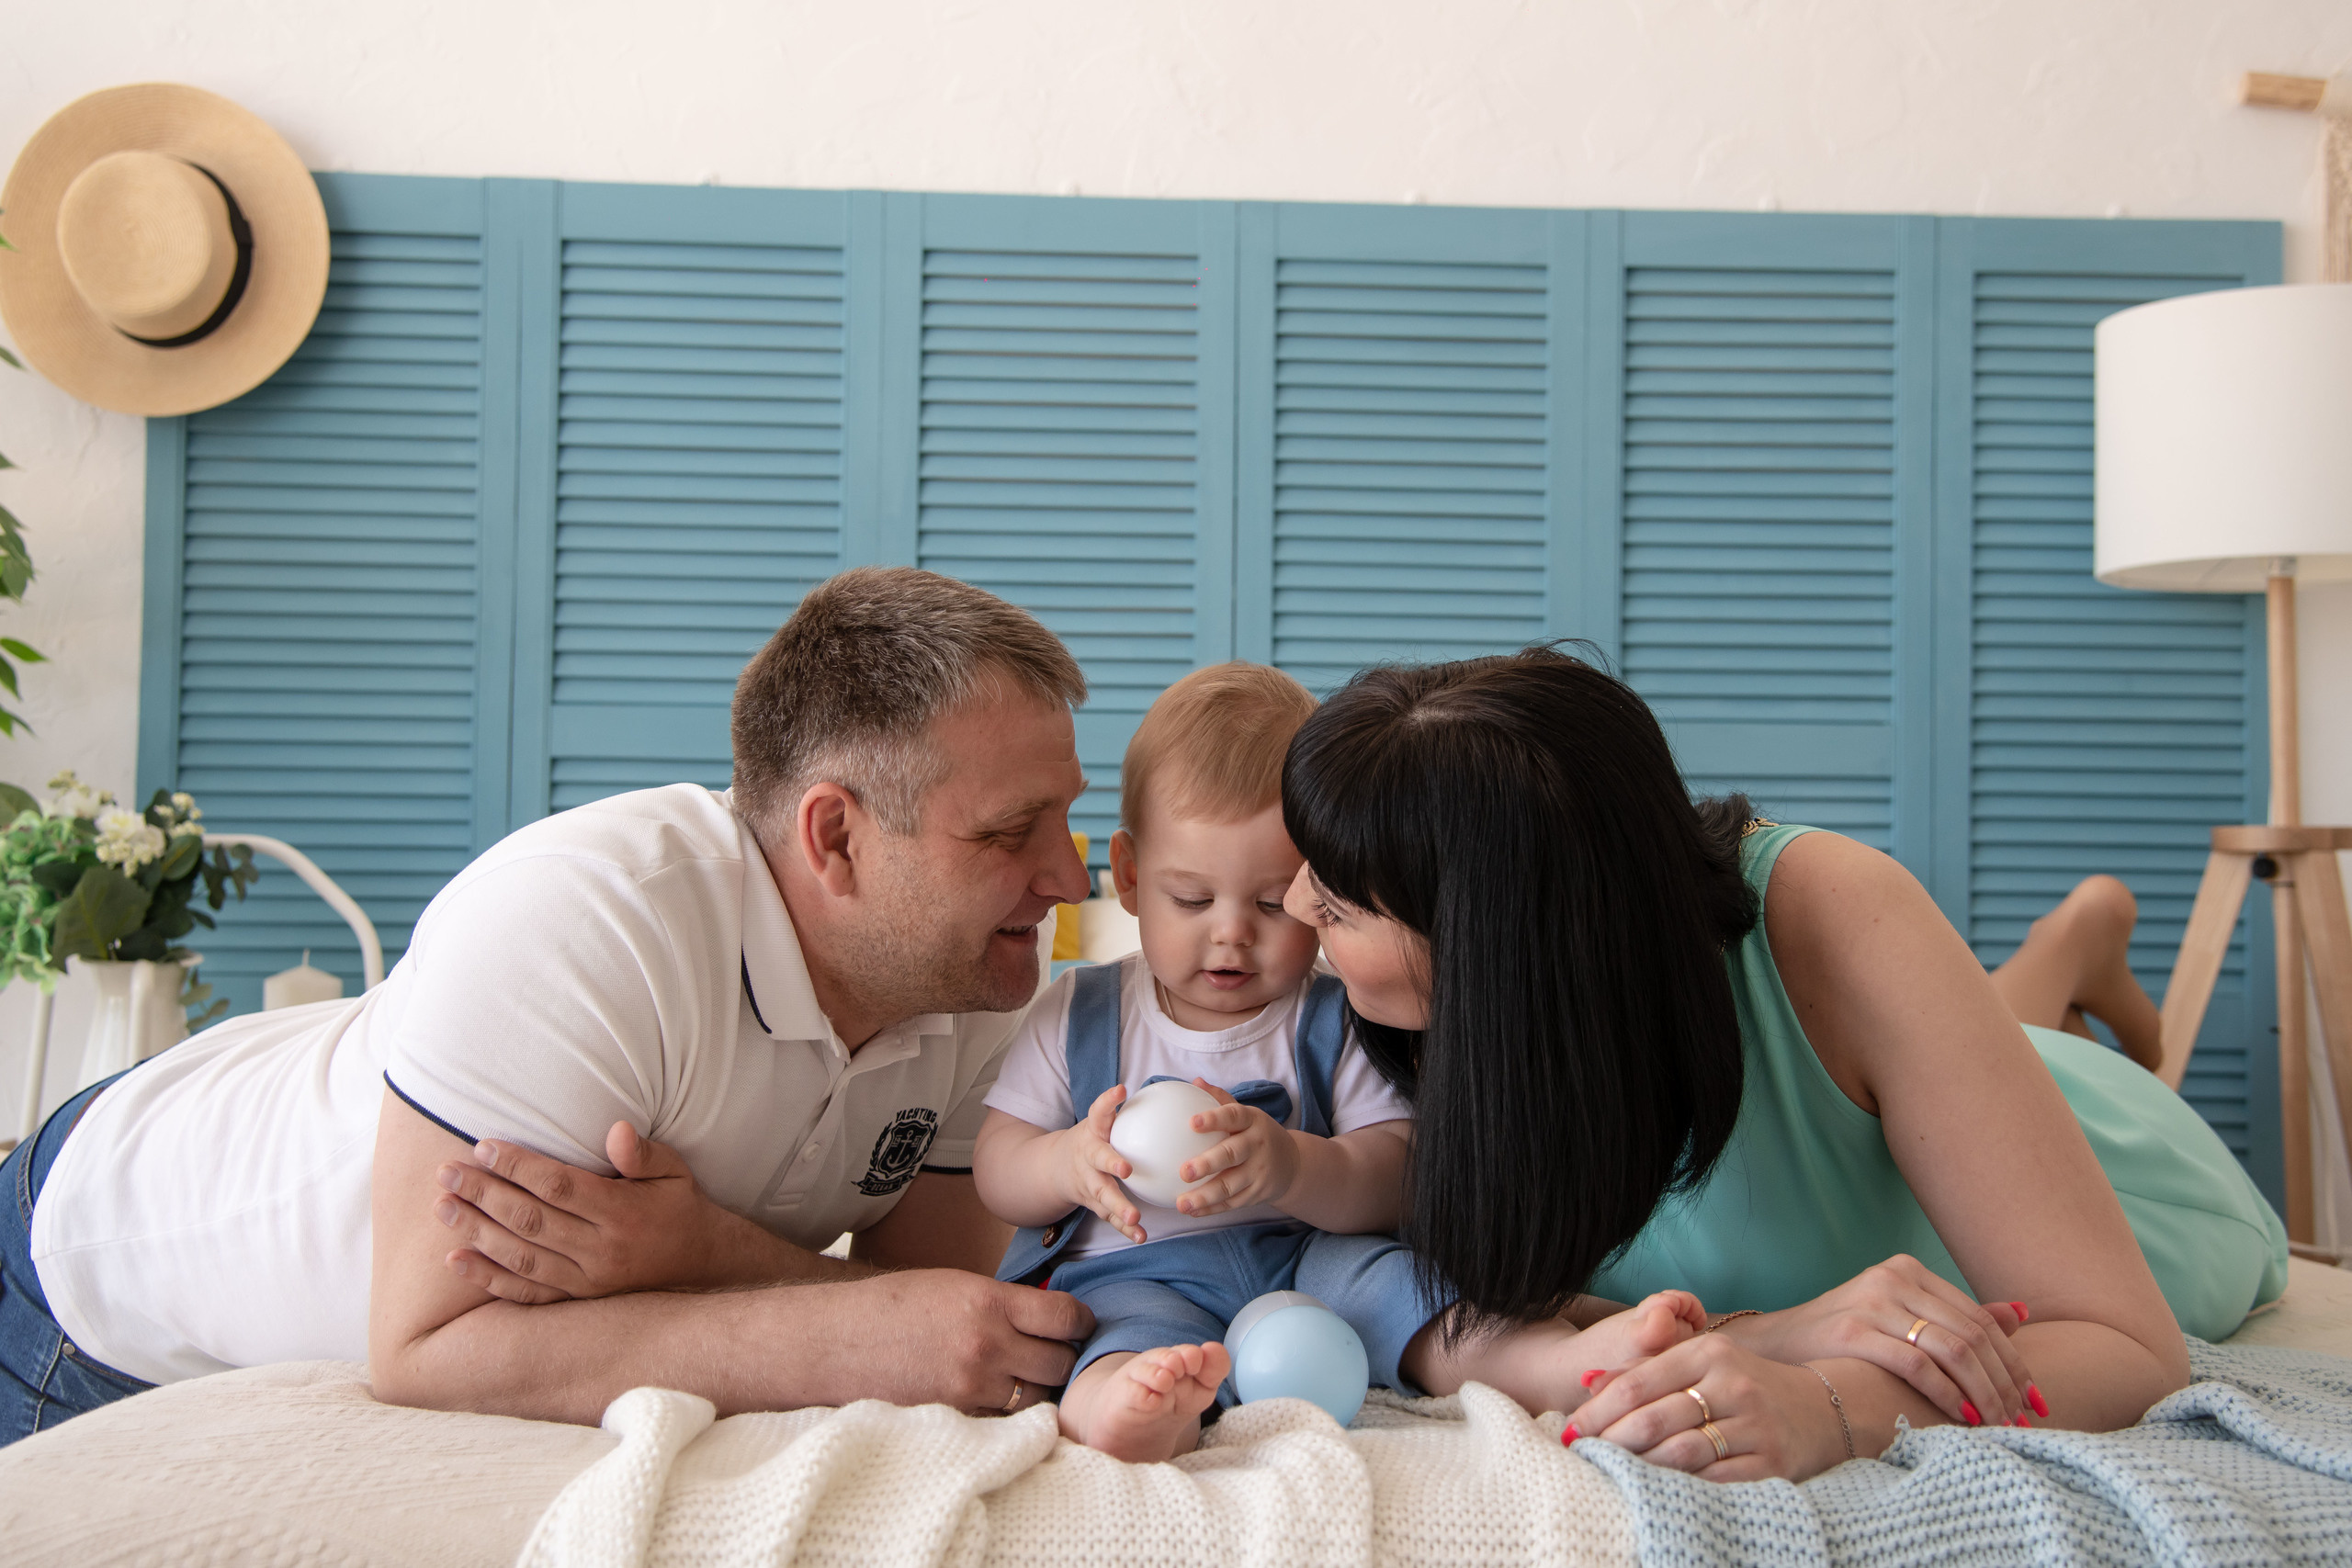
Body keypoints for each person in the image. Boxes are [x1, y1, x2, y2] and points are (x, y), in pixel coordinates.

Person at [0, 569, 1103, 1443]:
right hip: (95, 1269)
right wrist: (767, 1288)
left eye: (1065, 820)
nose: (1069, 878)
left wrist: (700, 1251)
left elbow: (922, 1302)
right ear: (834, 836)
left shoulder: (977, 974)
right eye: (1010, 833)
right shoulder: (590, 917)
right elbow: (428, 1348)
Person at [1275, 645, 2289, 1482]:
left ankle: (2071, 952)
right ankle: (2065, 950)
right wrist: (1782, 1332)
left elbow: (2124, 1346)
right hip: (1880, 1098)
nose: (1291, 912)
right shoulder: (1390, 1007)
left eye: (1338, 902)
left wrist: (1832, 1405)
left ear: (1499, 944)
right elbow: (1387, 1278)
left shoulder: (1833, 908)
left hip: (2115, 1160)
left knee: (1972, 1052)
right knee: (1958, 1037)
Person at [970, 664, 1704, 1461]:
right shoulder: (1078, 1013)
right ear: (1135, 875)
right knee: (1117, 1334)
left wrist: (1292, 1166)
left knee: (1411, 1291)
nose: (1231, 934)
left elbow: (1396, 1169)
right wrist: (1066, 1162)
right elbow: (998, 1168)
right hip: (1140, 1265)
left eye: (1268, 900)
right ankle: (1127, 1409)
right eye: (1191, 899)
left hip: (1311, 1256)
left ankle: (1550, 1361)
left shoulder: (1336, 1014)